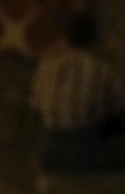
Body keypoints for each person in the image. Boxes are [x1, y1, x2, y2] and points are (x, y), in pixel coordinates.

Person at [31, 13, 125, 174]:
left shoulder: (47, 65)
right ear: (93, 39)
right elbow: (120, 106)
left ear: (65, 38)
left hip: (49, 150)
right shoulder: (100, 69)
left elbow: (36, 105)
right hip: (83, 150)